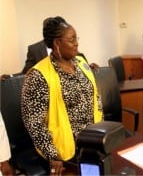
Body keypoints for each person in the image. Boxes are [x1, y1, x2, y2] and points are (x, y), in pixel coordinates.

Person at [21, 16, 103, 175]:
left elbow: (96, 98)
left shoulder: (81, 63)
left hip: (93, 142)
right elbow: (33, 122)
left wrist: (102, 130)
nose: (76, 43)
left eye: (76, 38)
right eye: (71, 39)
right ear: (57, 43)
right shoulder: (39, 75)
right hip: (63, 152)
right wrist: (52, 154)